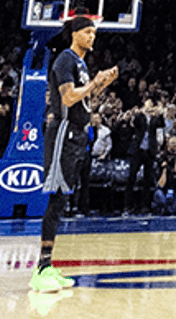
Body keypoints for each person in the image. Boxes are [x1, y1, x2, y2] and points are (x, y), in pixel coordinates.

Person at [32, 16, 118, 293]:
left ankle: (48, 266)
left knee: (63, 200)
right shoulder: (65, 60)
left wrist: (103, 83)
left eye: (94, 32)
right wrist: (94, 82)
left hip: (78, 134)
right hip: (63, 132)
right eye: (87, 31)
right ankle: (42, 269)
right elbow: (68, 98)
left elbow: (86, 98)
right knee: (56, 199)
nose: (92, 36)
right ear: (75, 33)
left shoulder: (80, 63)